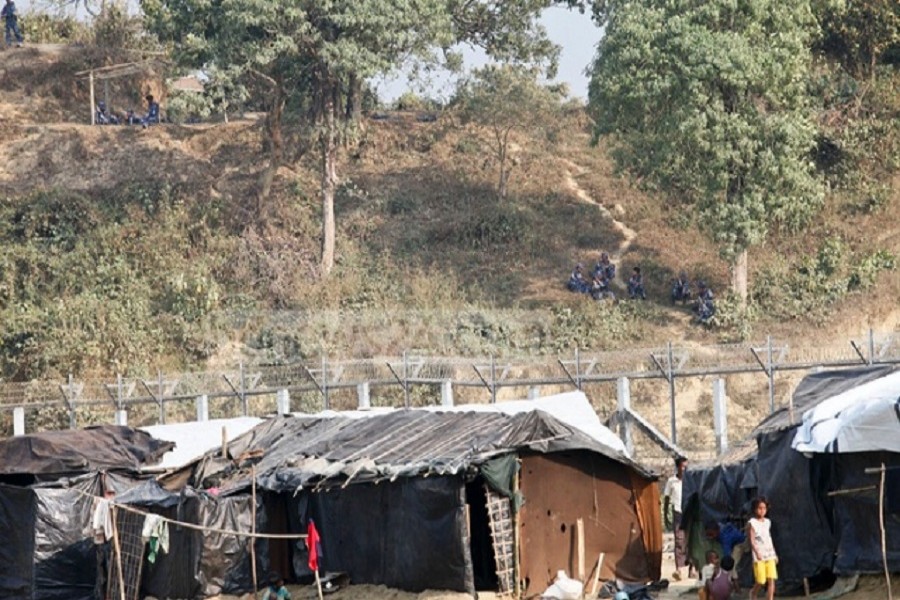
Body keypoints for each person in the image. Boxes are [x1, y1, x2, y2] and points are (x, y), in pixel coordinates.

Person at [748, 497, 778, 600]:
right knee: (761, 580)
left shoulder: (767, 522)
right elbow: (752, 540)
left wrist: (774, 554)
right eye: (759, 508)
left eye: (764, 508)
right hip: (759, 555)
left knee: (771, 579)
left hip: (769, 554)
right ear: (755, 509)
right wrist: (757, 553)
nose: (762, 510)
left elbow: (768, 538)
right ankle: (753, 592)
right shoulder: (752, 523)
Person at [664, 456, 688, 581]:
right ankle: (678, 569)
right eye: (683, 466)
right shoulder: (671, 481)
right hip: (677, 512)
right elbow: (667, 498)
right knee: (679, 540)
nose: (685, 469)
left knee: (690, 540)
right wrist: (666, 516)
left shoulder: (690, 479)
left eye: (686, 466)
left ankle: (692, 568)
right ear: (678, 467)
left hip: (688, 512)